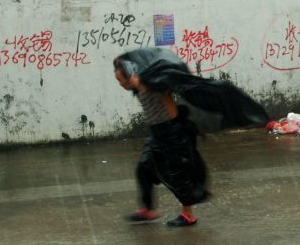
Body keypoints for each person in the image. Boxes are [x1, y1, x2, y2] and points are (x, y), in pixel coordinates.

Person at [113, 47, 268, 227]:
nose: (119, 83)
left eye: (119, 79)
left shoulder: (153, 81)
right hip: (156, 133)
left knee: (179, 173)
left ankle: (188, 215)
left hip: (171, 131)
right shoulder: (139, 82)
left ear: (129, 76)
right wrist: (120, 63)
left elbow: (171, 80)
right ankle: (148, 210)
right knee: (144, 167)